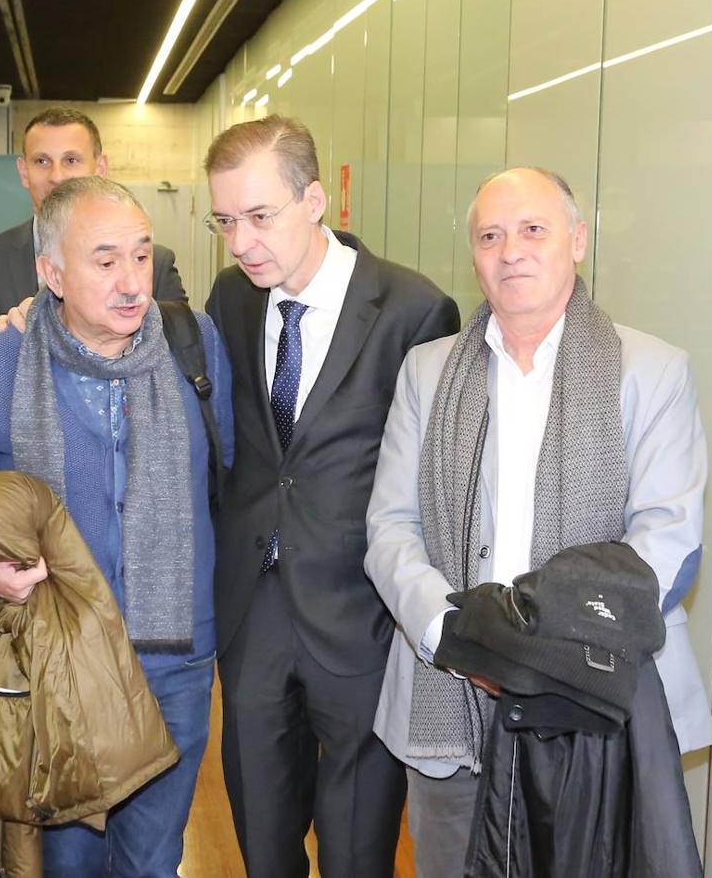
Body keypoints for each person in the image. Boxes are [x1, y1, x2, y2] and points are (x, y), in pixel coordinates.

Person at [365, 166, 712, 878]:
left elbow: (666, 542)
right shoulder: (427, 373)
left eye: (533, 230)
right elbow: (390, 529)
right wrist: (457, 636)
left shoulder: (651, 370)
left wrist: (537, 655)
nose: (510, 251)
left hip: (600, 705)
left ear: (578, 241)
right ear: (474, 256)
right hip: (451, 697)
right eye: (490, 236)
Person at [0, 174, 233, 876]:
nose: (131, 281)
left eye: (142, 255)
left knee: (153, 862)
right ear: (50, 273)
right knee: (64, 866)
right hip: (51, 668)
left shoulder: (195, 346)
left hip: (172, 658)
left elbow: (228, 477)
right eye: (104, 259)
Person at [202, 114, 460, 878]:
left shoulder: (413, 310)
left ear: (315, 200)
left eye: (259, 216)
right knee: (263, 847)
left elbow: (431, 487)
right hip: (253, 616)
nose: (242, 241)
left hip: (361, 621)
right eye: (225, 221)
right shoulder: (231, 297)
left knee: (357, 851)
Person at [0, 106, 187, 380]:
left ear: (100, 167)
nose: (57, 176)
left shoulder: (155, 265)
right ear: (23, 171)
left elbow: (181, 363)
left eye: (71, 160)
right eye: (42, 161)